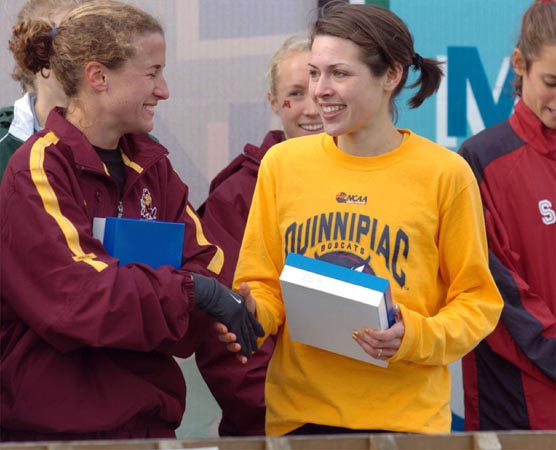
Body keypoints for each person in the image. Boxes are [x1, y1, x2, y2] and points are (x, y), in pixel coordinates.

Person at [217, 1, 504, 436]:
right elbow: (265, 284)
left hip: (406, 425)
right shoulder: (283, 164)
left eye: (340, 74)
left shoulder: (445, 174)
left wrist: (413, 335)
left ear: (390, 76)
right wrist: (252, 315)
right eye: (314, 73)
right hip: (300, 419)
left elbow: (478, 305)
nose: (320, 90)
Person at [0, 0, 262, 441]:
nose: (164, 90)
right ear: (98, 77)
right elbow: (78, 297)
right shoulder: (38, 167)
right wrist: (192, 294)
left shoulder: (152, 164)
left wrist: (200, 298)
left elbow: (206, 261)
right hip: (54, 430)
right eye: (152, 72)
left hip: (149, 424)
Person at [194, 35, 323, 436]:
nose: (312, 107)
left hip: (364, 420)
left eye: (321, 89)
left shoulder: (380, 179)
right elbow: (228, 330)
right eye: (295, 93)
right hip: (274, 427)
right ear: (273, 101)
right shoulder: (238, 195)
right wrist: (287, 424)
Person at [458, 0, 556, 431]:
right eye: (552, 81)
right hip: (519, 400)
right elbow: (494, 287)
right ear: (519, 64)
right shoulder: (480, 159)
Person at [0, 0, 87, 182]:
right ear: (33, 48)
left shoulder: (134, 146)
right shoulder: (4, 142)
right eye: (70, 41)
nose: (85, 56)